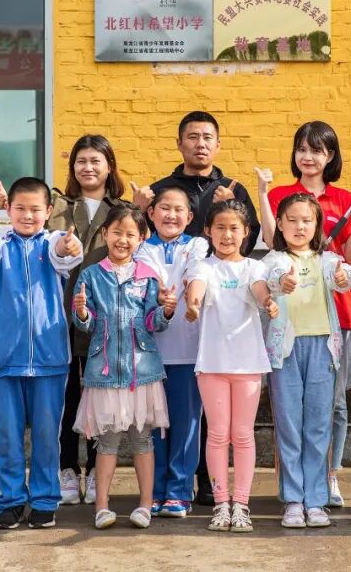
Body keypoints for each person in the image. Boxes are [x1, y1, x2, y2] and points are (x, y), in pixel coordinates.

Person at [131, 110, 260, 503]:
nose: (200, 144)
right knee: (159, 419)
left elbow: (245, 243)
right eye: (192, 136)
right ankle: (161, 489)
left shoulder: (231, 189)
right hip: (154, 342)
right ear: (179, 142)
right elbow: (133, 243)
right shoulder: (159, 190)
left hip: (205, 335)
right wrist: (137, 208)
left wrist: (233, 203)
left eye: (207, 137)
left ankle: (193, 486)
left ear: (217, 144)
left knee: (201, 418)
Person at [0, 134, 126, 506]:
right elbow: (27, 211)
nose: (88, 167)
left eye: (96, 161)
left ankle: (97, 469)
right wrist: (3, 204)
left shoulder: (122, 208)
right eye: (81, 161)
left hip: (105, 317)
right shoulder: (58, 205)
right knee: (64, 399)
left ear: (109, 166)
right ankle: (66, 469)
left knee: (100, 397)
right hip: (57, 317)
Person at [0, 178, 83, 529]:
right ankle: (10, 500)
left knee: (46, 436)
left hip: (51, 359)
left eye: (35, 209)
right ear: (7, 209)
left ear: (48, 211)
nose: (27, 215)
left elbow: (66, 252)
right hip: (3, 359)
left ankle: (44, 500)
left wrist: (69, 244)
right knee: (7, 437)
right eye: (20, 208)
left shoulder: (53, 241)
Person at [255, 120, 351, 506]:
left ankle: (328, 476)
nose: (308, 156)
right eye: (301, 148)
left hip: (334, 315)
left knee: (334, 403)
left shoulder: (344, 199)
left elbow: (350, 256)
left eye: (317, 150)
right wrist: (262, 193)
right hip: (292, 318)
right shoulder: (282, 195)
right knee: (290, 407)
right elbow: (271, 241)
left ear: (330, 156)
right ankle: (293, 486)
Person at [71, 205, 175, 530]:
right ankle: (102, 507)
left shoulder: (148, 276)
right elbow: (86, 323)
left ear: (141, 238)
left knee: (143, 441)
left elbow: (152, 322)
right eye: (117, 232)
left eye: (131, 234)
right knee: (107, 443)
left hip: (141, 372)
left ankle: (145, 505)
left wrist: (166, 311)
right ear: (105, 234)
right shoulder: (90, 275)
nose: (123, 239)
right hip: (105, 373)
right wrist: (82, 313)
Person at [262, 193, 351, 529]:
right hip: (285, 352)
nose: (300, 227)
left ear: (317, 226)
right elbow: (272, 277)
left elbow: (344, 275)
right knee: (288, 425)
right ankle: (293, 499)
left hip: (322, 348)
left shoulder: (327, 259)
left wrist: (345, 278)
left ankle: (316, 500)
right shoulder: (274, 259)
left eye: (307, 220)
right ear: (280, 224)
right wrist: (281, 282)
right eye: (292, 220)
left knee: (318, 426)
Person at [183, 200, 278, 533]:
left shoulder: (253, 267)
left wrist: (268, 302)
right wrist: (193, 305)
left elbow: (260, 290)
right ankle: (221, 504)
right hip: (212, 364)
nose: (227, 235)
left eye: (234, 228)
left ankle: (242, 504)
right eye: (220, 228)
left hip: (248, 364)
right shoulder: (203, 266)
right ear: (208, 231)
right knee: (218, 434)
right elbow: (195, 289)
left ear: (246, 232)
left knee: (243, 435)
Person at [133, 185, 209, 518]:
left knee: (186, 423)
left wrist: (190, 300)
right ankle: (154, 489)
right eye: (164, 208)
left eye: (179, 210)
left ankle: (179, 490)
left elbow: (196, 273)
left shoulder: (197, 245)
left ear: (190, 217)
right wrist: (159, 296)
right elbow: (144, 281)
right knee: (154, 426)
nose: (171, 215)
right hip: (149, 352)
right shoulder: (141, 247)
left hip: (188, 350)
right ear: (151, 213)